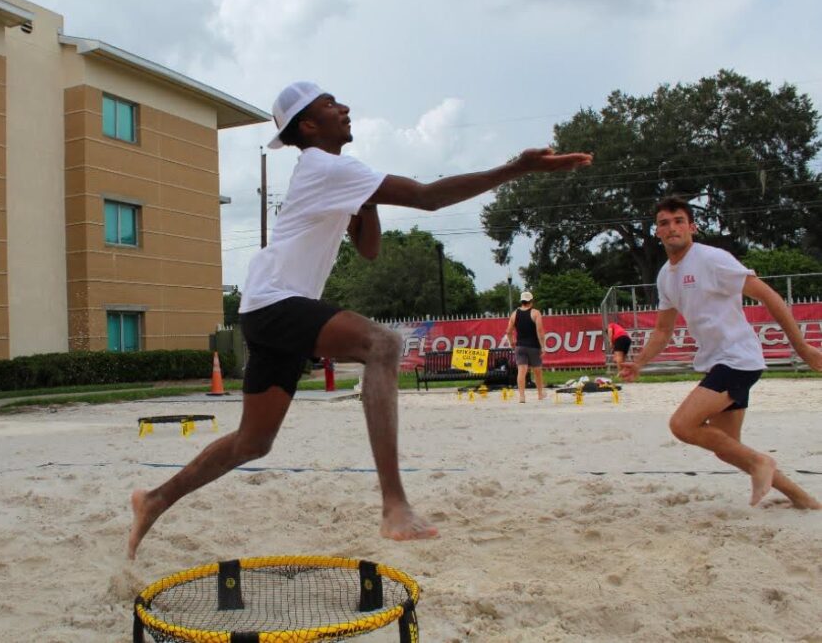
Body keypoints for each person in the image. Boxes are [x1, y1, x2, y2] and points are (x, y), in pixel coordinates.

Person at [127, 81, 592, 558]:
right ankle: (394, 504)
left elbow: (368, 250)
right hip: (275, 301)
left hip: (268, 309)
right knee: (383, 344)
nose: (344, 107)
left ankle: (155, 499)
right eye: (330, 104)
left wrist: (366, 201)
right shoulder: (324, 166)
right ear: (309, 125)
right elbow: (428, 197)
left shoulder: (336, 174)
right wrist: (518, 168)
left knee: (253, 443)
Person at [620, 196, 822, 509]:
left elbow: (769, 295)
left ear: (692, 227)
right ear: (656, 231)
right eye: (664, 223)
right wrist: (639, 363)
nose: (672, 228)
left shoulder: (712, 259)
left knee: (682, 425)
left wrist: (802, 347)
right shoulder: (665, 276)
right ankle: (803, 499)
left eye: (678, 221)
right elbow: (662, 331)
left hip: (737, 358)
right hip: (719, 362)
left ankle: (761, 463)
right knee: (728, 449)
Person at [505, 291, 546, 403]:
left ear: (521, 301)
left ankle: (522, 396)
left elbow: (508, 331)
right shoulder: (535, 313)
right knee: (537, 371)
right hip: (534, 346)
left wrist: (512, 343)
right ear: (531, 301)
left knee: (521, 371)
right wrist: (543, 346)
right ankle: (540, 394)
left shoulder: (514, 314)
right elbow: (540, 331)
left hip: (520, 346)